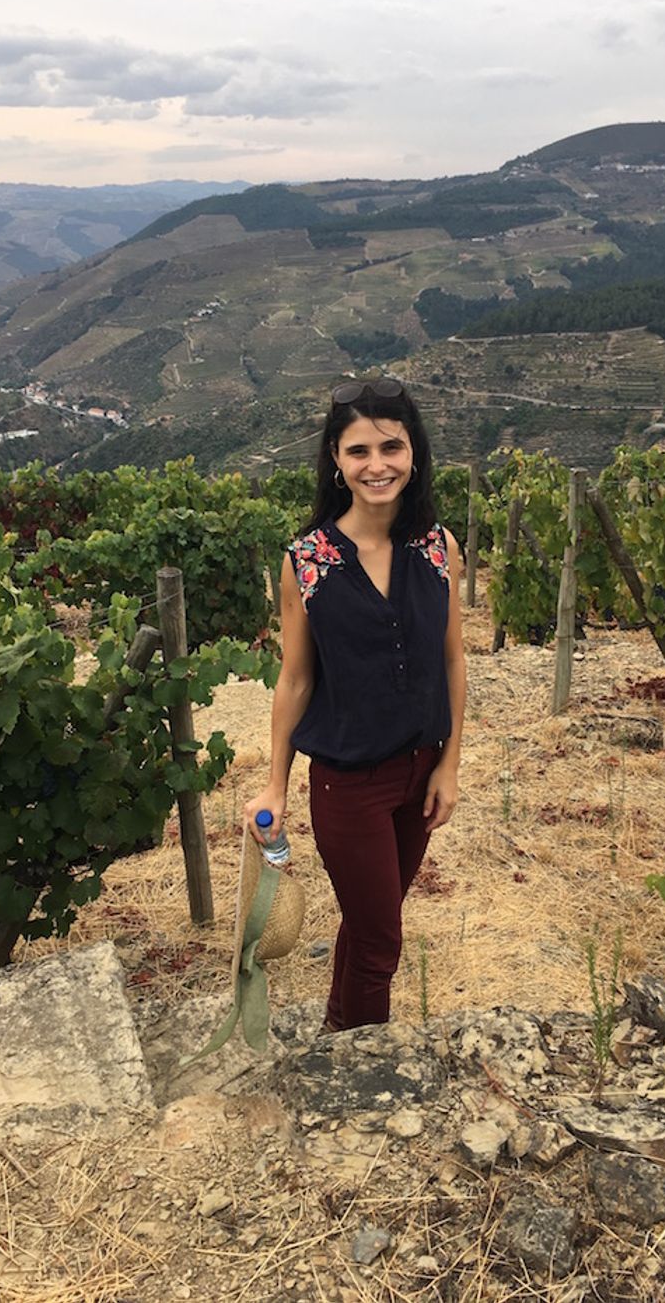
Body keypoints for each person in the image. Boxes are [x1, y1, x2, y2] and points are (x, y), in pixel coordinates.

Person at [245, 377, 466, 1032]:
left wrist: (449, 765)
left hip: (420, 775)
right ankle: (365, 1069)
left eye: (391, 447)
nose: (377, 465)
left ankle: (336, 1036)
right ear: (336, 461)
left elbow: (453, 661)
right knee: (380, 942)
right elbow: (295, 680)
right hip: (349, 786)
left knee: (370, 923)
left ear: (414, 454)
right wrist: (275, 783)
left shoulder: (438, 548)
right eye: (359, 450)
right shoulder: (306, 562)